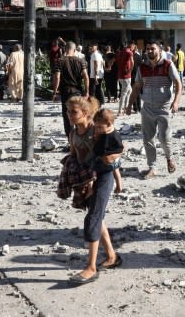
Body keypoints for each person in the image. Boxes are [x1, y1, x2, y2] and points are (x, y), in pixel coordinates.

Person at [65, 96, 120, 285]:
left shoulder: (96, 131)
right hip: (85, 179)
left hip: (102, 178)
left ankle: (91, 267)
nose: (70, 115)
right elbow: (73, 156)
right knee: (97, 216)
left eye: (74, 112)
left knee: (93, 219)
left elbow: (117, 148)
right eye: (68, 111)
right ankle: (112, 256)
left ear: (86, 113)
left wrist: (114, 166)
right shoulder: (73, 133)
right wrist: (71, 179)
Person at [126, 39, 182, 179]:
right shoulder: (142, 68)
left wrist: (176, 102)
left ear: (160, 50)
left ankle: (169, 157)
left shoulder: (168, 65)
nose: (150, 51)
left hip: (164, 108)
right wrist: (129, 104)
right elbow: (137, 87)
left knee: (164, 138)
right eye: (148, 49)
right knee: (148, 139)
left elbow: (178, 84)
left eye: (153, 49)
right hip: (147, 109)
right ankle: (152, 168)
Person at [52, 41, 89, 136]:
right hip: (77, 91)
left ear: (65, 49)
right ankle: (80, 138)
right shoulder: (81, 61)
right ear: (74, 49)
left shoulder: (60, 61)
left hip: (66, 92)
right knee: (79, 114)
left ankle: (71, 140)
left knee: (68, 116)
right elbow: (86, 77)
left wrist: (55, 92)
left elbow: (57, 77)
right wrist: (87, 91)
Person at [92, 108, 124, 194]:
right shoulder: (102, 133)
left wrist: (111, 155)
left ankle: (119, 185)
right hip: (102, 155)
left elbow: (120, 148)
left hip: (111, 157)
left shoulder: (114, 135)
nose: (97, 129)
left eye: (99, 127)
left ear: (109, 124)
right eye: (96, 127)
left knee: (115, 170)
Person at [116, 43, 134, 116]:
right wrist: (130, 71)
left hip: (120, 75)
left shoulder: (120, 52)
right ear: (131, 46)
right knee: (124, 93)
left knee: (129, 91)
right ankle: (120, 111)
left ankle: (125, 108)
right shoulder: (129, 52)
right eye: (134, 47)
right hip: (126, 75)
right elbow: (132, 62)